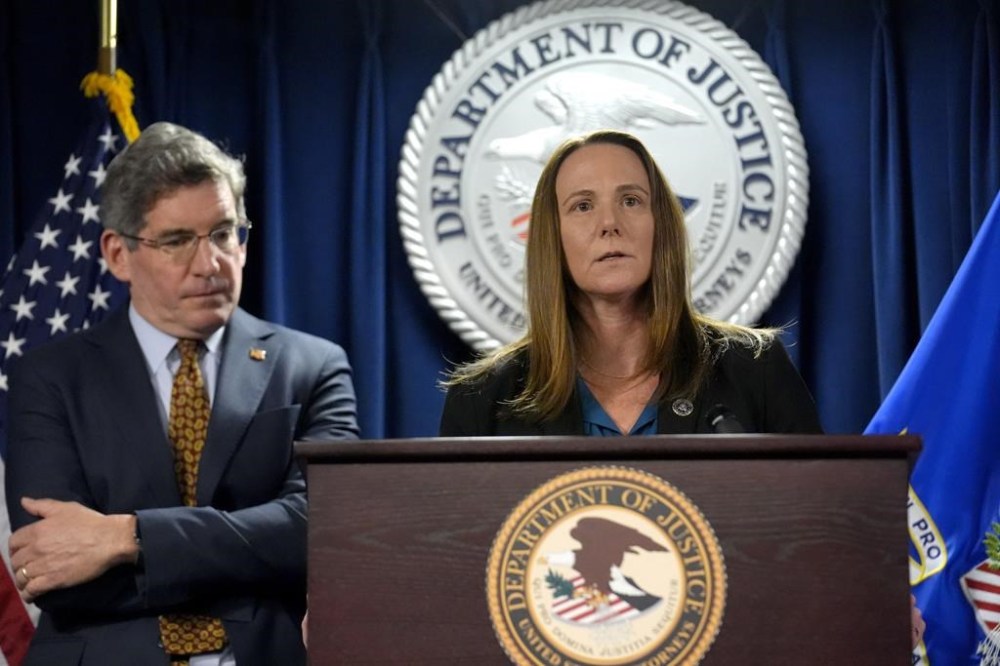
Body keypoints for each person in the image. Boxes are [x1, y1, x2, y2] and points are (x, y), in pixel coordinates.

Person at [5, 121, 359, 666]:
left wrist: (127, 538)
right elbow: (54, 570)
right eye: (176, 241)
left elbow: (323, 533)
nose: (209, 264)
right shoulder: (48, 377)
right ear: (118, 254)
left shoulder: (313, 367)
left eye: (224, 233)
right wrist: (249, 560)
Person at [439, 129, 822, 436]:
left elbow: (815, 505)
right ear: (551, 237)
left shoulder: (755, 371)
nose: (610, 223)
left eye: (631, 200)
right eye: (583, 206)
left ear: (661, 224)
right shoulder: (481, 400)